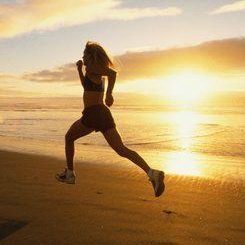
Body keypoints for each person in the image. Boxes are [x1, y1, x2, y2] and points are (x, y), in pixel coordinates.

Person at [55, 41, 165, 197]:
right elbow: (86, 86)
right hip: (102, 114)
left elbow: (113, 74)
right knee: (122, 150)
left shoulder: (93, 67)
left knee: (69, 137)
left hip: (93, 114)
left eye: (84, 54)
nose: (82, 56)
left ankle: (69, 174)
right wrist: (79, 70)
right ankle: (151, 173)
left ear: (90, 55)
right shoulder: (91, 70)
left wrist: (109, 94)